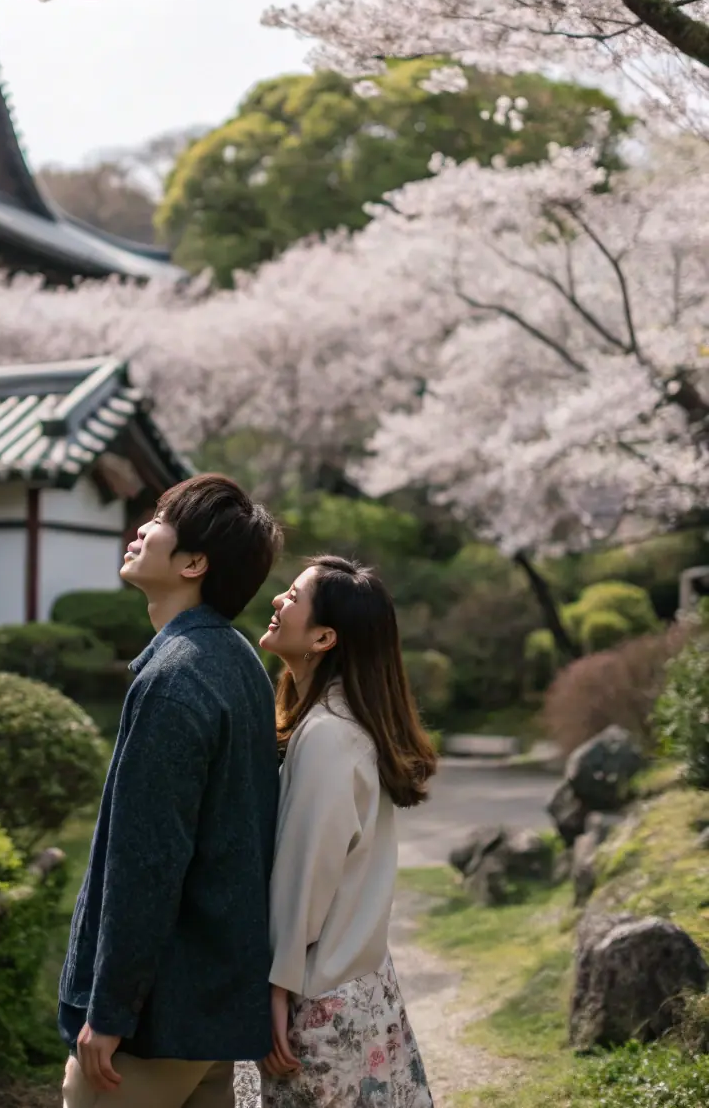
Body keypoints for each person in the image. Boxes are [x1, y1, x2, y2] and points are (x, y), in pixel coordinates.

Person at [59, 473, 283, 1108]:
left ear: (193, 563)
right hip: (212, 1002)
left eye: (158, 521)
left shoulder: (176, 677)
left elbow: (148, 860)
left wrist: (109, 1011)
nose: (140, 530)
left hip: (155, 1018)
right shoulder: (238, 660)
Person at [239, 555, 438, 1108]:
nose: (278, 601)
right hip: (358, 986)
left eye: (293, 597)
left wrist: (275, 991)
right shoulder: (342, 722)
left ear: (324, 636)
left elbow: (305, 877)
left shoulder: (328, 734)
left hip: (317, 995)